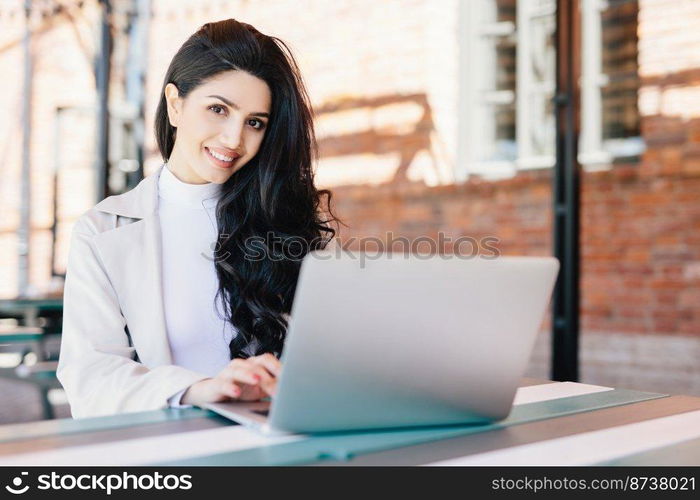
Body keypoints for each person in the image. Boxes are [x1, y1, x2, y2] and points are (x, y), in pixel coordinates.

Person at [57, 18, 338, 418]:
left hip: (284, 444)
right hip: (170, 455)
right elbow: (91, 376)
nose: (234, 139)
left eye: (254, 122)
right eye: (218, 109)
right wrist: (200, 389)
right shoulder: (103, 231)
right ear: (175, 104)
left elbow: (342, 357)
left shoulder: (294, 224)